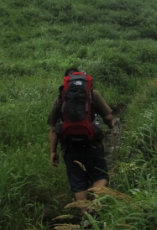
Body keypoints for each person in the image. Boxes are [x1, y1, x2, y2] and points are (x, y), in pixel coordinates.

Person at [48, 68, 116, 216]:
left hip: (69, 147)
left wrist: (53, 152)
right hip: (93, 145)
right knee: (100, 176)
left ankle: (86, 218)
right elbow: (109, 118)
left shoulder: (60, 98)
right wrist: (111, 126)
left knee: (78, 184)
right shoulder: (92, 94)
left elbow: (54, 129)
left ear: (66, 81)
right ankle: (96, 206)